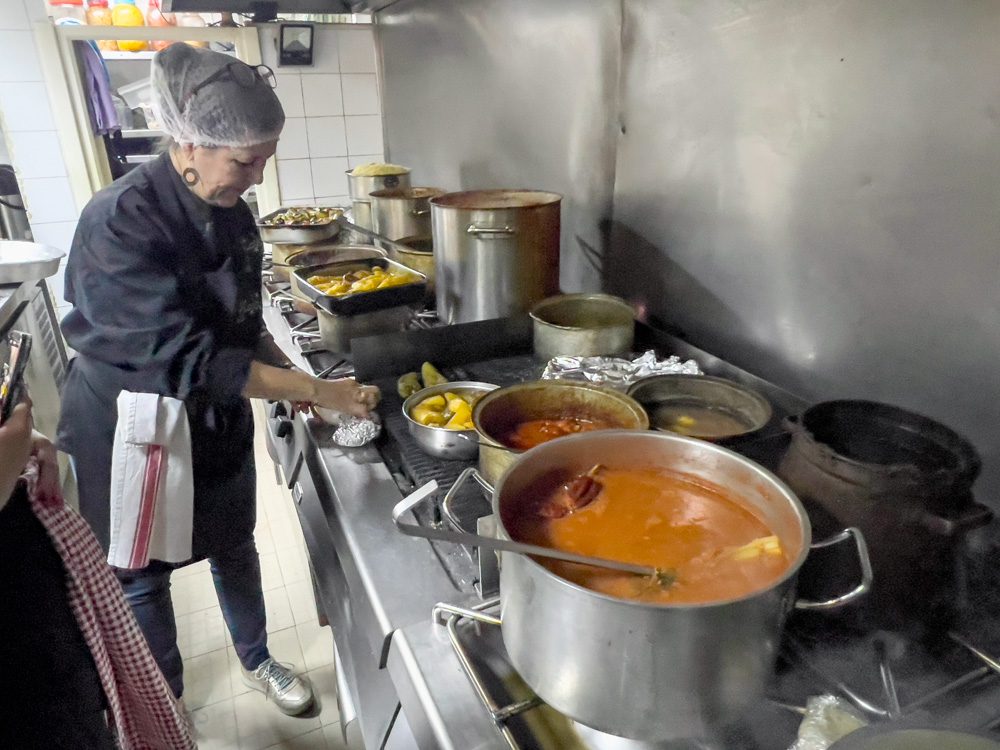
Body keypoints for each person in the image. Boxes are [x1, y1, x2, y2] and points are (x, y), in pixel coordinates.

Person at [57, 43, 380, 715]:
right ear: (189, 144)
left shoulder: (232, 211)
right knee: (144, 577)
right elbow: (191, 359)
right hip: (134, 427)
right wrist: (319, 391)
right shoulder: (119, 220)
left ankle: (258, 657)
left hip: (213, 417)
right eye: (246, 160)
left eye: (263, 159)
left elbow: (240, 321)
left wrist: (293, 376)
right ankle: (166, 707)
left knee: (234, 545)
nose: (257, 177)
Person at [1, 395, 194, 749]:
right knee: (143, 579)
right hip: (20, 653)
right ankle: (175, 697)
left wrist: (28, 439)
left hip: (36, 575)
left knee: (86, 709)